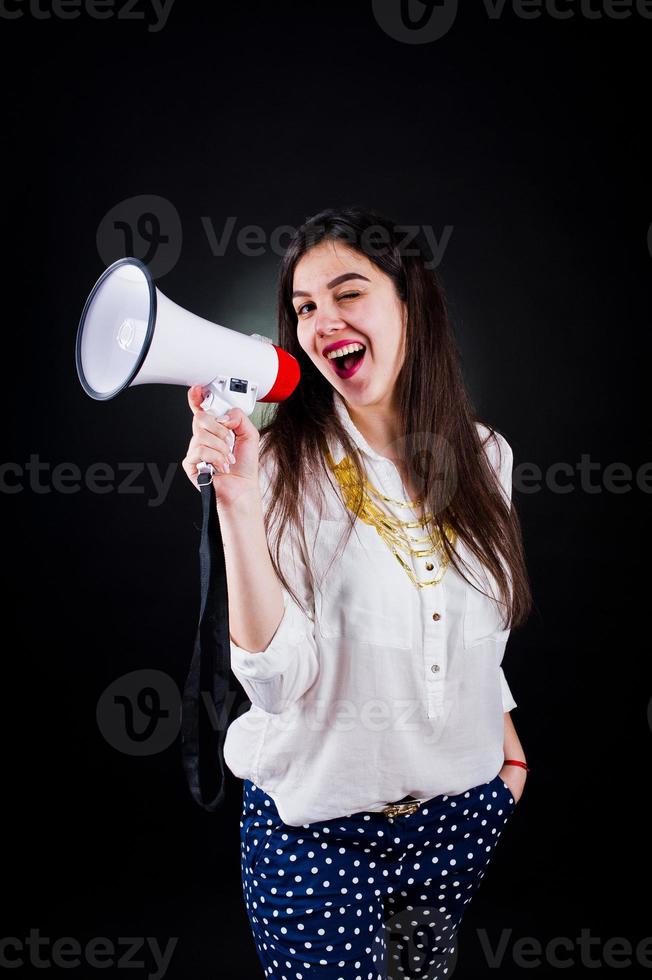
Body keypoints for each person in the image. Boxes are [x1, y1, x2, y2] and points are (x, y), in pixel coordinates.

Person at [182, 206, 533, 980]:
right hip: (320, 836)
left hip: (457, 822)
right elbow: (275, 682)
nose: (322, 321)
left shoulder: (486, 456)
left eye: (348, 294)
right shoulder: (272, 466)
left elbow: (476, 630)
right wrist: (237, 501)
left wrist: (506, 764)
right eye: (305, 308)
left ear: (409, 302)